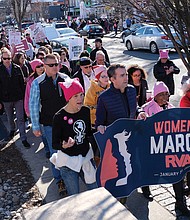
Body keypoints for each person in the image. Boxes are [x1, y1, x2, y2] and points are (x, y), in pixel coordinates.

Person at [95, 64, 147, 204]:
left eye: (126, 74)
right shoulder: (104, 98)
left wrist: (140, 112)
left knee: (137, 162)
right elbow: (99, 121)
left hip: (132, 135)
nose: (126, 77)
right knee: (123, 167)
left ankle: (144, 188)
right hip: (116, 140)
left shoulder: (131, 90)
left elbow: (135, 107)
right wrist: (100, 127)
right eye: (122, 75)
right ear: (112, 79)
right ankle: (122, 201)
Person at [141, 81, 190, 217]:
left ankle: (180, 202)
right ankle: (145, 187)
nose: (164, 97)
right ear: (155, 95)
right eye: (161, 94)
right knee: (149, 169)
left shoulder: (171, 107)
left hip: (169, 148)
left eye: (166, 94)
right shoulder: (147, 108)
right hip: (153, 148)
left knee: (177, 172)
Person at [29, 54, 70, 195]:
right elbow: (33, 104)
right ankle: (59, 180)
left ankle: (71, 175)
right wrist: (35, 126)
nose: (55, 67)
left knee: (70, 150)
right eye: (51, 65)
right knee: (55, 153)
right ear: (44, 66)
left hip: (67, 123)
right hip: (49, 124)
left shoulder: (65, 79)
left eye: (57, 64)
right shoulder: (37, 83)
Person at [50, 78, 97, 196]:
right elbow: (54, 143)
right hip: (68, 161)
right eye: (76, 96)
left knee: (96, 191)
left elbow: (89, 134)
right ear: (69, 98)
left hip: (86, 157)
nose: (80, 99)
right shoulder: (59, 117)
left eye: (81, 95)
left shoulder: (85, 111)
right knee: (74, 197)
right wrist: (64, 145)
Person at [0, 48, 30, 148]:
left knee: (20, 118)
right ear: (1, 58)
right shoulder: (0, 70)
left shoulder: (17, 68)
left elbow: (22, 83)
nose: (7, 60)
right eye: (5, 58)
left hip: (18, 98)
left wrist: (23, 96)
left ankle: (23, 138)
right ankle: (12, 131)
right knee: (10, 117)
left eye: (9, 58)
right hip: (6, 99)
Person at [24, 59, 50, 158]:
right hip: (38, 110)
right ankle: (47, 149)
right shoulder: (31, 81)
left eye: (42, 65)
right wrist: (27, 110)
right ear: (34, 69)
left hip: (48, 108)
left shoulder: (48, 77)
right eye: (38, 66)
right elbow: (28, 97)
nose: (41, 68)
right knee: (43, 132)